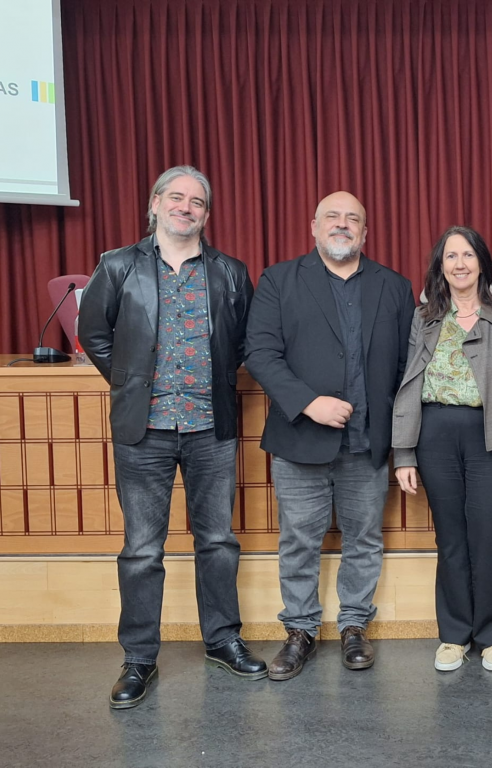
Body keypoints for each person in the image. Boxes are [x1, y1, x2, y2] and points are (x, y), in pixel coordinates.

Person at [78, 165, 265, 710]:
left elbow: (246, 340)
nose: (186, 207)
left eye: (197, 201)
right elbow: (94, 334)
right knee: (141, 549)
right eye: (176, 198)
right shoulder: (117, 266)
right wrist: (133, 381)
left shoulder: (230, 271)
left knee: (218, 542)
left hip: (212, 427)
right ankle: (138, 658)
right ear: (155, 204)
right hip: (145, 429)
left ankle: (223, 640)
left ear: (207, 214)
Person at [245, 191, 415, 680]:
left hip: (369, 443)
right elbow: (260, 352)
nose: (343, 225)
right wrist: (308, 401)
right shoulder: (279, 280)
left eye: (353, 219)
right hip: (300, 439)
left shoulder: (394, 287)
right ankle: (299, 631)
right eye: (333, 217)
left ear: (366, 231)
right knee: (299, 540)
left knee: (364, 538)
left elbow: (407, 368)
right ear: (313, 226)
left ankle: (355, 626)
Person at [393, 226, 492, 672]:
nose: (459, 264)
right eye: (450, 256)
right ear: (441, 266)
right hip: (435, 433)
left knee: (488, 536)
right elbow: (407, 385)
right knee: (451, 538)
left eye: (467, 255)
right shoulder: (423, 318)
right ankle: (454, 634)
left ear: (481, 263)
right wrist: (403, 454)